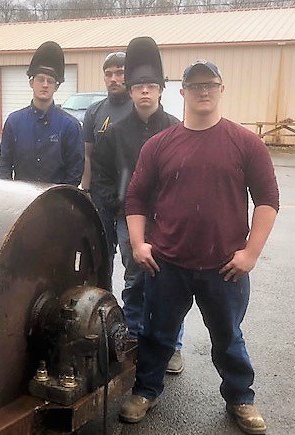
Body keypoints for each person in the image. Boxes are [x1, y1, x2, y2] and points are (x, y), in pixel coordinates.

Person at [119, 59, 279, 435]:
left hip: (225, 267)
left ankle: (241, 398)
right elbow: (136, 199)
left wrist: (250, 254)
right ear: (183, 92)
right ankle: (145, 390)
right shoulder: (159, 145)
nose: (202, 91)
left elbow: (268, 199)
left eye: (210, 84)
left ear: (221, 90)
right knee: (157, 334)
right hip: (167, 265)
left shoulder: (245, 143)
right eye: (195, 85)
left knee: (228, 337)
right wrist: (140, 244)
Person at [91, 37, 184, 373]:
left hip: (169, 222)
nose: (145, 92)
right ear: (130, 92)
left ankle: (172, 346)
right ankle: (132, 338)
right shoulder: (114, 133)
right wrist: (119, 204)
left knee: (171, 282)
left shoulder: (177, 129)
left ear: (161, 90)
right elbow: (100, 174)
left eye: (151, 86)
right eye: (139, 86)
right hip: (128, 221)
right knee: (134, 279)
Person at [0, 41, 84, 186]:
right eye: (40, 79)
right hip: (21, 201)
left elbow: (75, 170)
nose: (45, 84)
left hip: (57, 202)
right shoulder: (14, 122)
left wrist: (61, 198)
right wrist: (10, 193)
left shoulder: (70, 126)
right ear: (31, 83)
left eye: (50, 81)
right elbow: (4, 163)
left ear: (56, 87)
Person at [82, 51, 133, 280]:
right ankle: (104, 307)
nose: (114, 78)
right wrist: (85, 190)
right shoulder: (94, 112)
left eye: (120, 73)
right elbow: (87, 154)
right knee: (101, 256)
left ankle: (133, 311)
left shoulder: (137, 110)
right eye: (109, 74)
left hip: (129, 199)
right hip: (100, 196)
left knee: (131, 256)